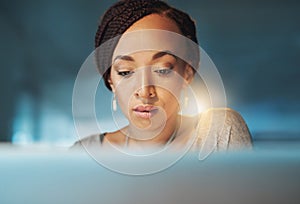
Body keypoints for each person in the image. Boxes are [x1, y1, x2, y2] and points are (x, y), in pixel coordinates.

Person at [72, 0, 252, 155]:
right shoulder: (84, 154)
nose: (144, 91)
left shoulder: (218, 131)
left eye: (162, 70)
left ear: (187, 74)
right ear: (110, 80)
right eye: (125, 72)